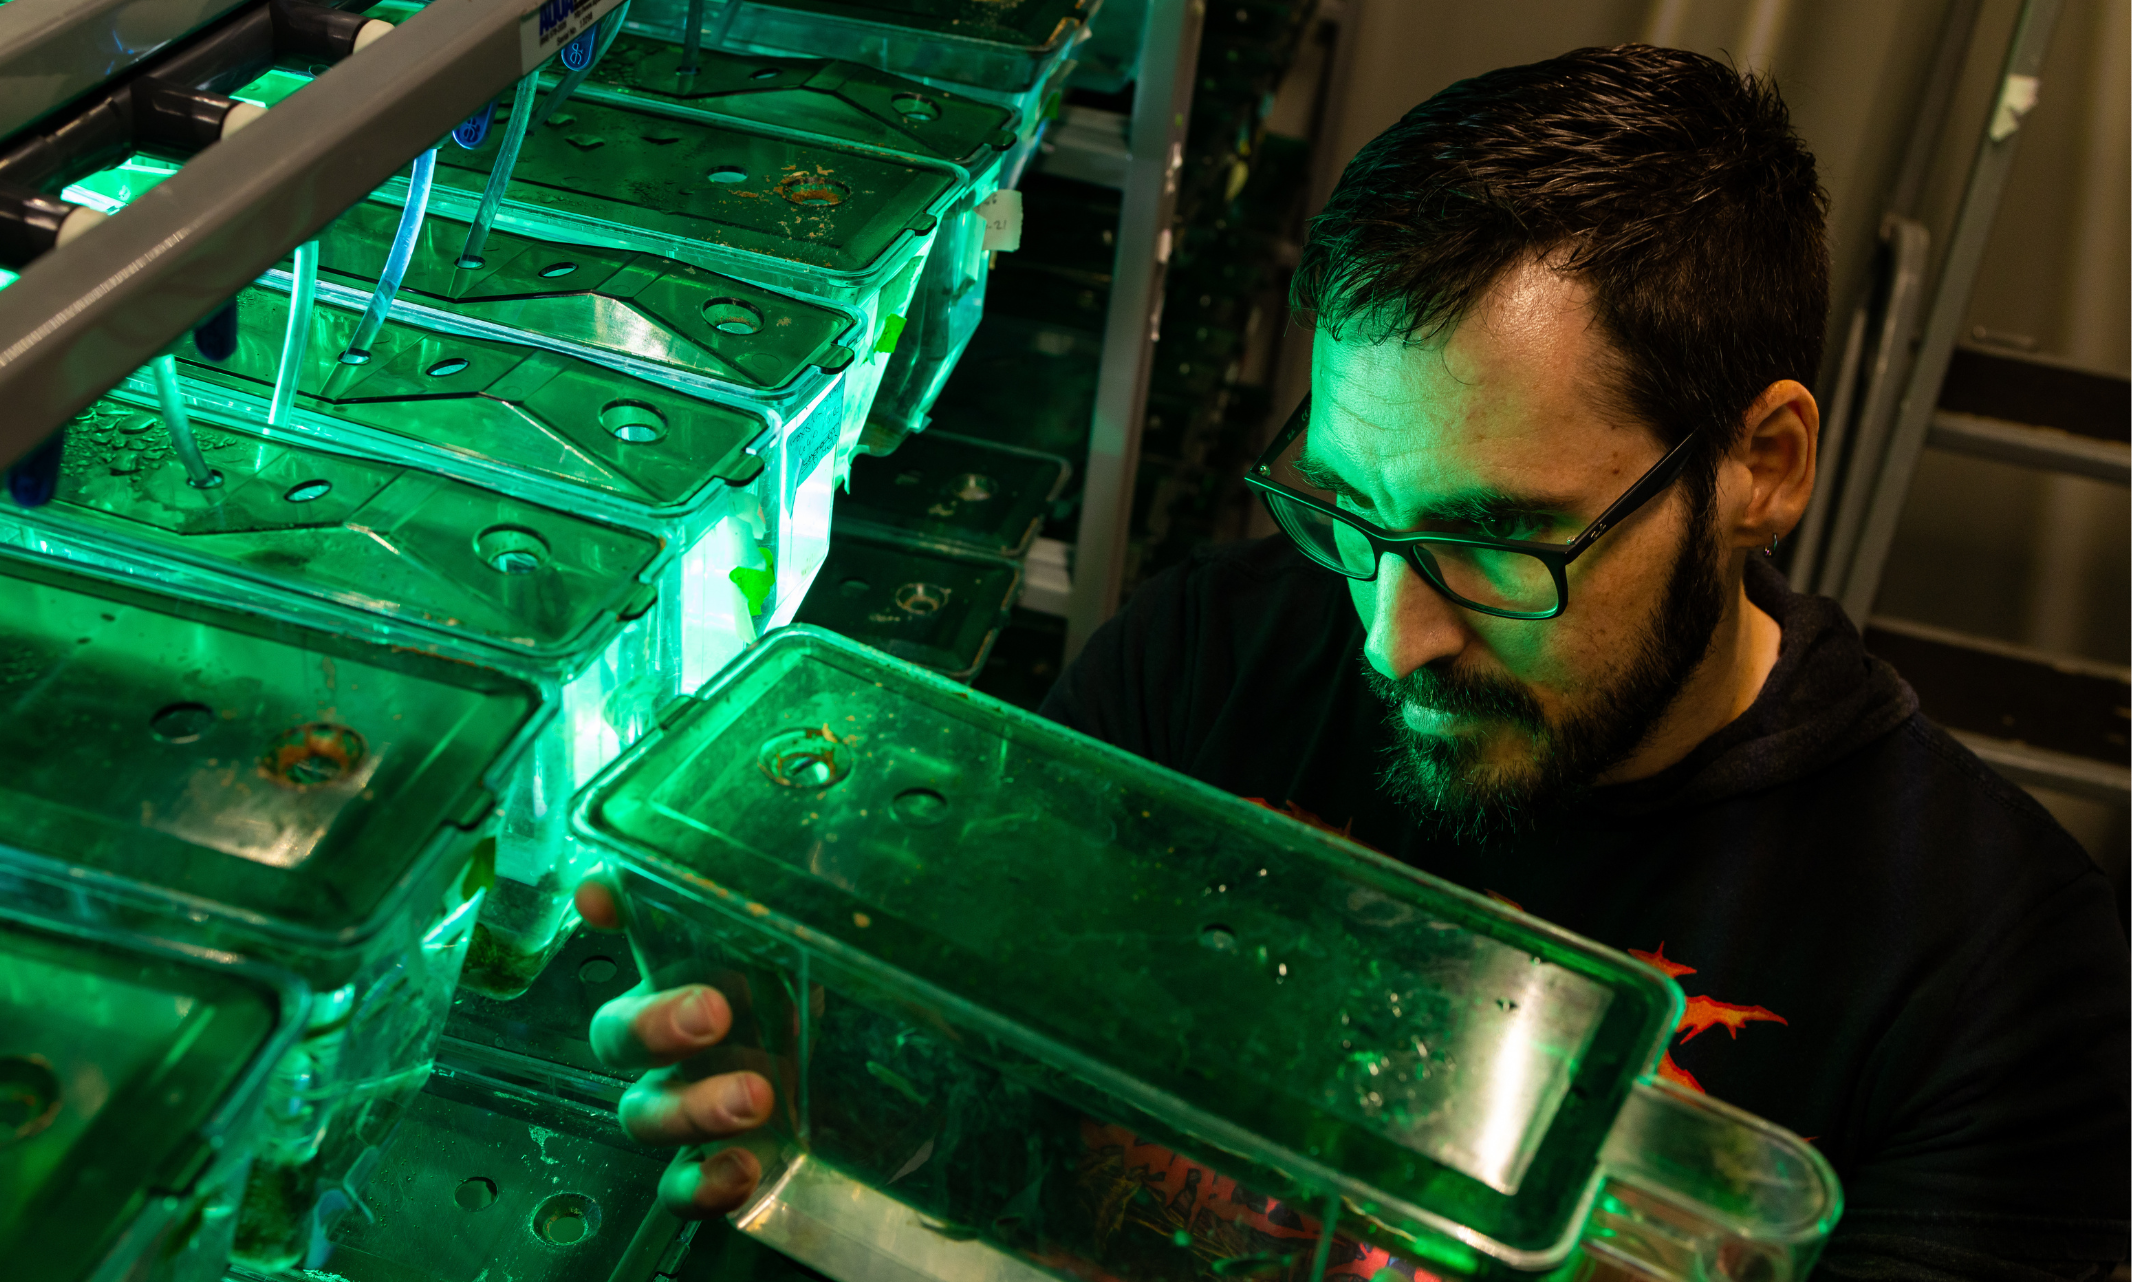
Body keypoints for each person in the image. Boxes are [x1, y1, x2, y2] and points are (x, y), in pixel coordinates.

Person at [576, 45, 2130, 1281]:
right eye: (1350, 513)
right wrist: (820, 1080)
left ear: (1763, 467)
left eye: (1498, 540)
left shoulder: (2006, 980)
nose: (1394, 634)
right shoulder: (1211, 658)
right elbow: (999, 1124)